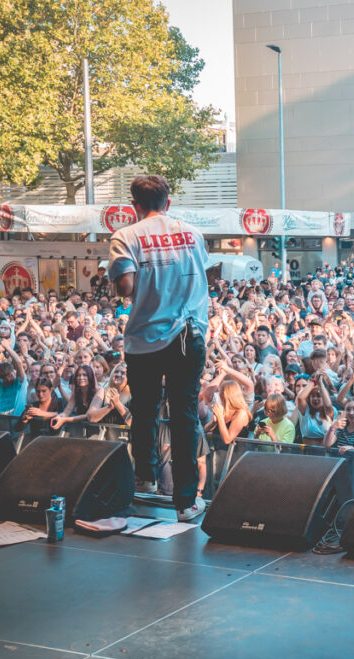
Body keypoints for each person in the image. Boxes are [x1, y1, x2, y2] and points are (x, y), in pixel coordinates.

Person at [109, 174, 210, 521]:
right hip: (189, 333)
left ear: (133, 206)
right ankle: (186, 503)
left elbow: (124, 287)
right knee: (184, 416)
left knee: (146, 410)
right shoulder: (194, 234)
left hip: (145, 337)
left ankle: (147, 478)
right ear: (168, 203)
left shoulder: (126, 236)